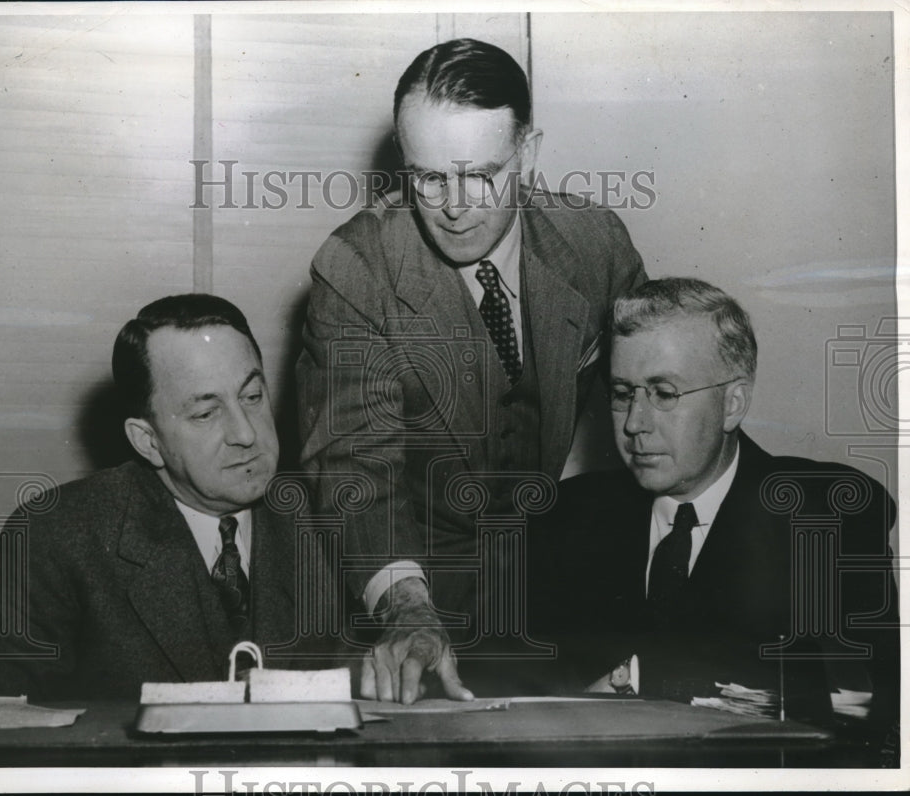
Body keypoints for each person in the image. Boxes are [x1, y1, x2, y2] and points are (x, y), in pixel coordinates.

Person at [296, 37, 645, 703]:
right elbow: (353, 473)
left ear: (529, 153)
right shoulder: (354, 270)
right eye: (428, 178)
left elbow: (656, 400)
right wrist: (410, 613)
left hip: (564, 596)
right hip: (415, 608)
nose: (455, 207)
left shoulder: (595, 244)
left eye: (482, 174)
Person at [533, 277, 899, 734]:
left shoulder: (824, 512)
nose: (633, 423)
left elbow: (877, 699)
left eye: (664, 394)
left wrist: (637, 675)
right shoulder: (568, 515)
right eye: (623, 393)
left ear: (734, 403)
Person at [0, 294, 330, 700]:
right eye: (205, 414)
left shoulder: (330, 513)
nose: (246, 434)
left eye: (252, 397)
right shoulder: (53, 537)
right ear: (147, 441)